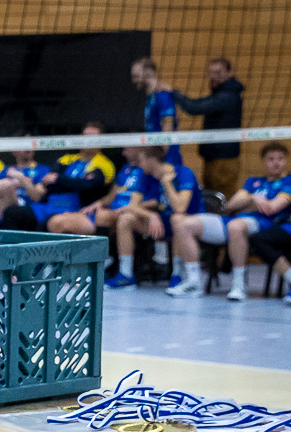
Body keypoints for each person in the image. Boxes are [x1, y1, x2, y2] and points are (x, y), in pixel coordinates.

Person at [170, 142, 291, 300]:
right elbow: (228, 206)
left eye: (280, 159)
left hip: (264, 224)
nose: (276, 162)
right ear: (263, 161)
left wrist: (246, 203)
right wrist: (252, 198)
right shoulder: (253, 182)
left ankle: (238, 286)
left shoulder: (287, 182)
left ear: (286, 160)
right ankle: (193, 283)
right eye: (271, 159)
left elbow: (271, 208)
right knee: (184, 224)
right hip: (233, 219)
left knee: (236, 227)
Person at [107, 145, 195, 289]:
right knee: (126, 219)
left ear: (152, 160)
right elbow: (133, 205)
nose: (139, 165)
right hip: (161, 222)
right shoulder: (144, 175)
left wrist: (166, 183)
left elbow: (180, 208)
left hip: (188, 223)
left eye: (141, 160)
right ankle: (126, 274)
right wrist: (151, 215)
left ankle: (177, 275)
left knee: (177, 219)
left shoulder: (183, 173)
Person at [174, 57, 245, 198]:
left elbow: (194, 108)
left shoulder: (227, 96)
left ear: (228, 73)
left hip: (224, 160)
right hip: (212, 158)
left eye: (218, 72)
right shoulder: (219, 94)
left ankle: (228, 220)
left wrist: (173, 93)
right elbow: (194, 103)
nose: (213, 76)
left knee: (224, 200)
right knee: (211, 198)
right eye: (211, 72)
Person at [134, 57, 184, 169]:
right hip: (154, 156)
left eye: (136, 76)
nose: (134, 80)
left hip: (166, 158)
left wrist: (161, 155)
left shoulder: (163, 96)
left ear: (147, 72)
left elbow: (168, 125)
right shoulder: (151, 96)